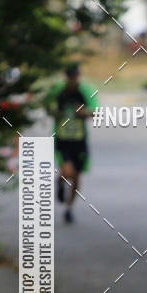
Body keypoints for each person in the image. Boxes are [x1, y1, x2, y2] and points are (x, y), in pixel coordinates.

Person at [50, 64, 98, 223]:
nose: (73, 79)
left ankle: (69, 208)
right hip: (63, 138)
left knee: (76, 177)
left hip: (79, 140)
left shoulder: (85, 90)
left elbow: (96, 112)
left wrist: (84, 112)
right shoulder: (58, 90)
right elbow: (48, 106)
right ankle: (60, 181)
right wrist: (56, 112)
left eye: (75, 76)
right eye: (71, 76)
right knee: (67, 171)